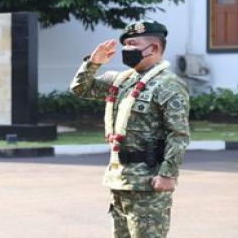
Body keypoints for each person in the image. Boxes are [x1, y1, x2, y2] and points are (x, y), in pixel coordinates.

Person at [70, 20, 190, 238]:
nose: (126, 50)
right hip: (120, 179)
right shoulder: (121, 80)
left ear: (153, 48)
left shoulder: (168, 84)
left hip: (148, 182)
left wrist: (168, 174)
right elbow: (80, 88)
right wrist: (93, 63)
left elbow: (178, 133)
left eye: (132, 44)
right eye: (124, 44)